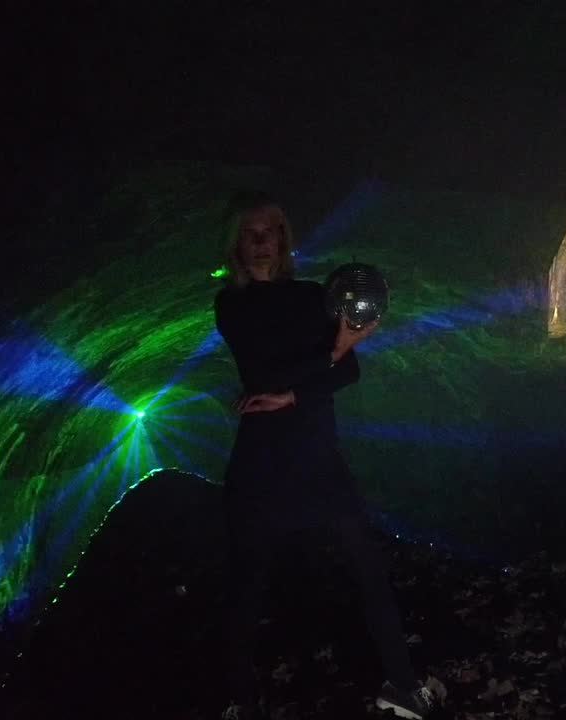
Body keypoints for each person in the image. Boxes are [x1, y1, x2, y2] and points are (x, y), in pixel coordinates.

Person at [214, 191, 438, 720]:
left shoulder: (314, 296)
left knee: (367, 566)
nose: (264, 241)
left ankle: (402, 685)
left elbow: (346, 372)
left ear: (285, 239)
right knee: (247, 581)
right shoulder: (232, 305)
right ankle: (240, 701)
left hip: (317, 454)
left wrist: (296, 392)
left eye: (272, 231)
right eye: (253, 232)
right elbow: (273, 366)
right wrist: (333, 351)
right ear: (238, 244)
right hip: (262, 462)